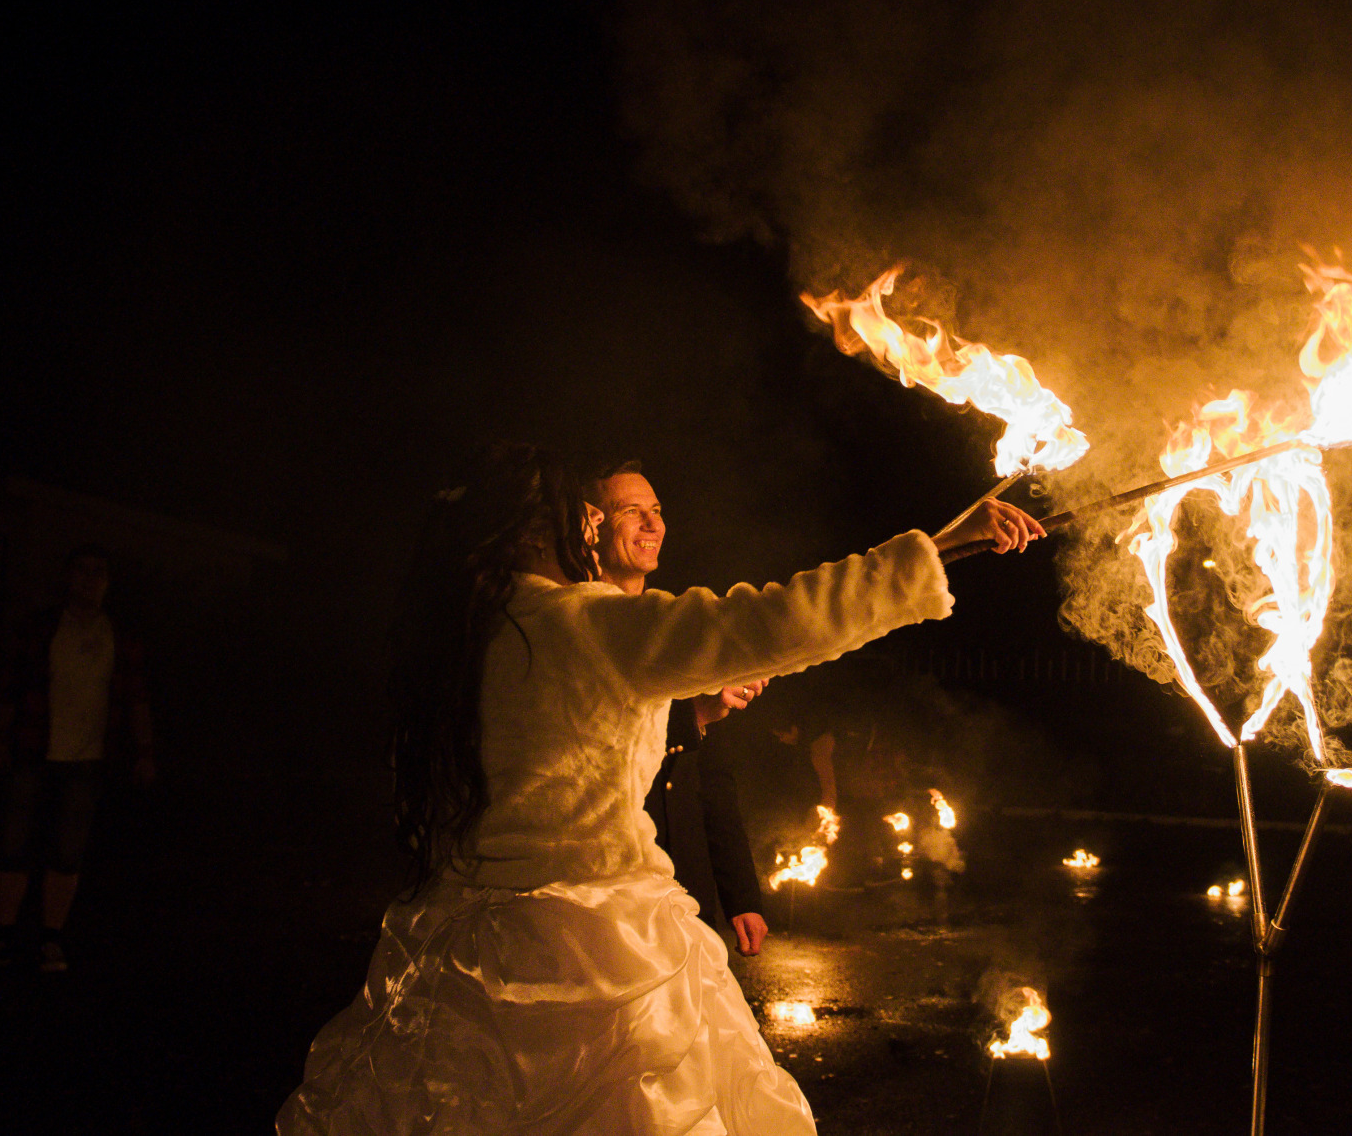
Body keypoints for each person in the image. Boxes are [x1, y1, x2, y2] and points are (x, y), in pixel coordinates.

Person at [277, 442, 1041, 1134]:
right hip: (596, 947)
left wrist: (693, 709)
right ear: (533, 531)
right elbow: (780, 619)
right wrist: (938, 546)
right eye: (579, 513)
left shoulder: (480, 631)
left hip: (467, 940)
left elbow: (575, 741)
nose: (593, 526)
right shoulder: (585, 621)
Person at [589, 462, 770, 957]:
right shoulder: (575, 626)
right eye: (632, 512)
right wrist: (695, 715)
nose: (653, 525)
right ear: (590, 525)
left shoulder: (672, 626)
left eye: (657, 511)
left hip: (686, 893)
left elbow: (710, 778)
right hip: (608, 903)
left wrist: (740, 895)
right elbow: (597, 748)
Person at [0, 545, 154, 973]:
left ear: (107, 582)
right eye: (82, 571)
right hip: (33, 751)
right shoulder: (42, 629)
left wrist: (145, 751)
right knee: (13, 844)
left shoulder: (119, 635)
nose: (90, 579)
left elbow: (135, 697)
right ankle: (3, 932)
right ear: (68, 577)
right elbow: (12, 688)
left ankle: (51, 938)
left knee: (67, 851)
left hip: (87, 760)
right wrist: (0, 741)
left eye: (99, 572)